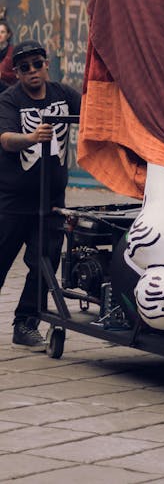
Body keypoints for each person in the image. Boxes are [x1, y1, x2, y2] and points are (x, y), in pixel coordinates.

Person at [0, 40, 79, 348]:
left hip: (51, 202)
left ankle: (25, 323)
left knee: (43, 263)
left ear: (47, 64)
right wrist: (31, 137)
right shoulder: (10, 100)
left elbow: (94, 111)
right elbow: (6, 139)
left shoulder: (63, 93)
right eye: (24, 67)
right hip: (12, 202)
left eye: (37, 64)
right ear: (17, 72)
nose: (32, 71)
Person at [0, 19, 14, 88]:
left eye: (2, 32)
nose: (0, 35)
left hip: (9, 90)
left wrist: (2, 75)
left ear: (8, 35)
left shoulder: (13, 51)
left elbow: (18, 74)